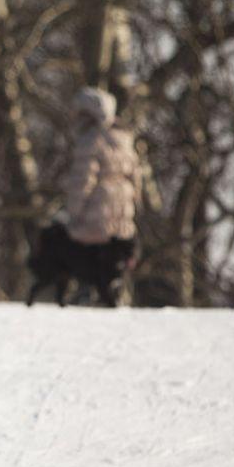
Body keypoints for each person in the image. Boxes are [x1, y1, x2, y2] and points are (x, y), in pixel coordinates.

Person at [27, 87, 142, 307]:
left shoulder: (90, 141)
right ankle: (109, 288)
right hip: (122, 215)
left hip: (96, 211)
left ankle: (85, 291)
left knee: (74, 246)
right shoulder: (123, 138)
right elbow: (136, 177)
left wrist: (74, 212)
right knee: (109, 257)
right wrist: (133, 204)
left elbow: (82, 182)